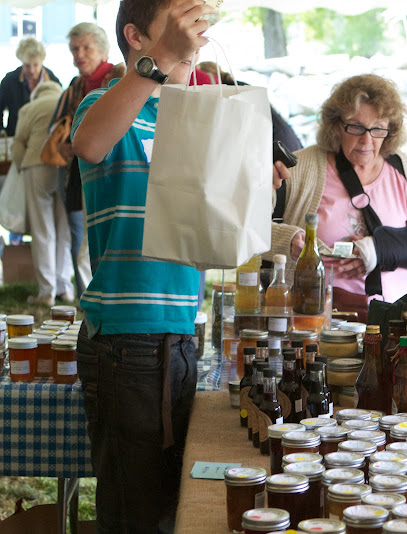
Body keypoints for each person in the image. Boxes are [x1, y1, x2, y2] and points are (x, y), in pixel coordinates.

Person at [70, 0, 215, 531]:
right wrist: (158, 61)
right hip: (126, 338)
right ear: (135, 36)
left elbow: (202, 229)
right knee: (133, 512)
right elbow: (87, 143)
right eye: (173, 30)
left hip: (177, 335)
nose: (190, 41)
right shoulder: (103, 103)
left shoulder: (188, 117)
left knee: (163, 511)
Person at [269, 74, 407, 320]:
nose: (367, 140)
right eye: (356, 126)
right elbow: (249, 229)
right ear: (336, 125)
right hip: (318, 318)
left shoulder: (404, 172)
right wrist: (288, 240)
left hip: (397, 320)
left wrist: (376, 250)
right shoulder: (299, 170)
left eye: (378, 128)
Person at [50, 22, 115, 300]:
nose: (79, 54)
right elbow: (60, 124)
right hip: (78, 174)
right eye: (75, 48)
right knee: (82, 238)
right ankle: (87, 298)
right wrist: (64, 146)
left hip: (111, 172)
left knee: (101, 240)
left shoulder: (119, 78)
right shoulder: (75, 85)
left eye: (86, 47)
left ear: (103, 50)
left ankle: (99, 299)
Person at [10, 81, 72, 306]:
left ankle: (46, 292)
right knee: (64, 230)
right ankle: (65, 288)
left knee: (42, 230)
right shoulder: (64, 102)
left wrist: (20, 166)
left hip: (36, 167)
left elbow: (17, 145)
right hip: (63, 165)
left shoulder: (29, 108)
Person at [0, 38, 60, 136]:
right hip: (15, 134)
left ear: (42, 62)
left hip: (43, 135)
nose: (31, 70)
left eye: (36, 65)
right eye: (27, 65)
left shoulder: (53, 81)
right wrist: (1, 129)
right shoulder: (9, 81)